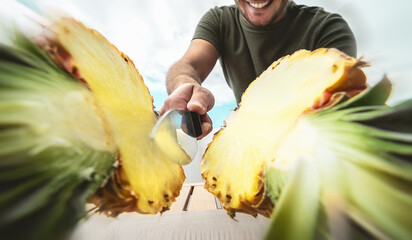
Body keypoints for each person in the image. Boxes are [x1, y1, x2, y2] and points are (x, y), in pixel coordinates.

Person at [160, 0, 356, 139]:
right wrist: (186, 85)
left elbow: (334, 110)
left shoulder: (328, 28)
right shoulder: (219, 21)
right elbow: (189, 64)